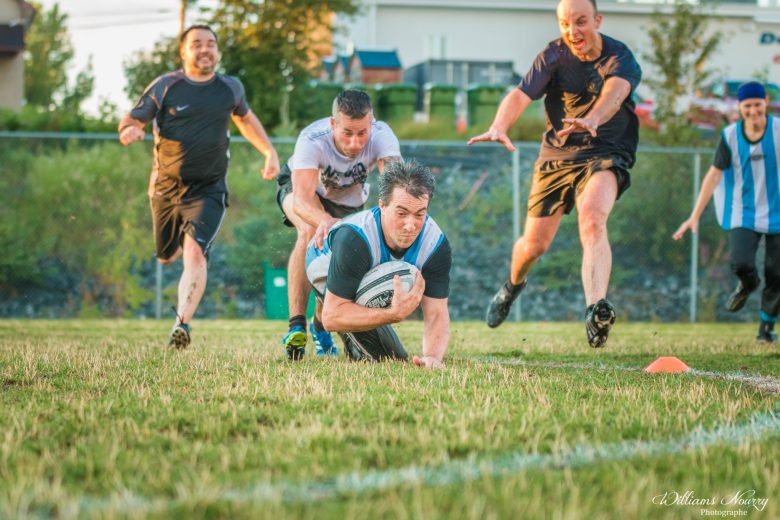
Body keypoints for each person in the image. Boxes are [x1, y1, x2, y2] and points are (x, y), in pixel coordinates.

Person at [467, 0, 641, 348]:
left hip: (605, 150)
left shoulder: (620, 57)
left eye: (580, 22)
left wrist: (593, 118)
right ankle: (512, 286)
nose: (572, 31)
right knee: (534, 246)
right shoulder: (553, 55)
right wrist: (500, 125)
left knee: (593, 218)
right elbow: (520, 95)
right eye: (564, 24)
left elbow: (615, 93)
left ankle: (596, 309)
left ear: (597, 20)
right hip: (557, 155)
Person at [118, 24, 280, 348]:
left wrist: (269, 151)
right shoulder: (166, 86)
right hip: (165, 189)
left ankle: (182, 324)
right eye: (197, 44)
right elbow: (131, 120)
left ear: (218, 51)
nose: (205, 50)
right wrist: (130, 131)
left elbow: (245, 120)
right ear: (184, 52)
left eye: (211, 44)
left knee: (195, 251)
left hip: (209, 189)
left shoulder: (230, 88)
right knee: (167, 256)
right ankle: (175, 245)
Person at [276, 89, 401, 360]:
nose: (355, 143)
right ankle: (296, 326)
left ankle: (320, 325)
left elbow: (395, 191)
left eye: (362, 133)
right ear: (333, 124)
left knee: (339, 261)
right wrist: (327, 222)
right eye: (347, 133)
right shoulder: (312, 139)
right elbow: (301, 202)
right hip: (304, 194)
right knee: (310, 232)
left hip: (348, 202)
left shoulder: (382, 135)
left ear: (372, 122)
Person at [304, 160, 452, 368]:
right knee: (387, 358)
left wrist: (433, 357)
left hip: (361, 267)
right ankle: (326, 320)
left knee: (388, 350)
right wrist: (392, 314)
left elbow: (437, 312)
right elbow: (333, 316)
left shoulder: (436, 245)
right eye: (401, 213)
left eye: (420, 214)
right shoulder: (355, 239)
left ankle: (324, 315)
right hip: (321, 263)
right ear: (382, 205)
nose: (411, 225)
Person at [673, 81, 779, 343]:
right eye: (747, 106)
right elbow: (714, 174)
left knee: (777, 273)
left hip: (777, 210)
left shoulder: (777, 130)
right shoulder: (730, 135)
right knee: (741, 262)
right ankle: (747, 283)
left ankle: (766, 327)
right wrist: (694, 215)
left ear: (766, 102)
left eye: (757, 104)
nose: (753, 110)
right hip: (744, 211)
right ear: (740, 107)